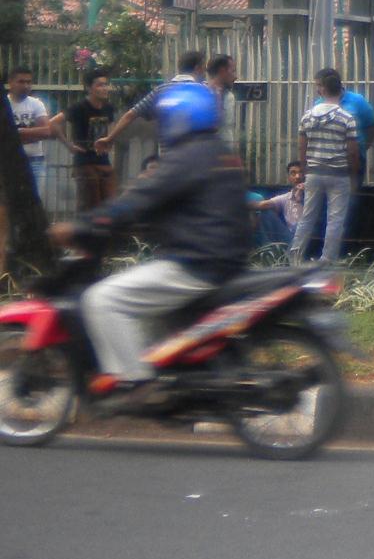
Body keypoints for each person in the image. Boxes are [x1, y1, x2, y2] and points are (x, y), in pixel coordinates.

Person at [49, 80, 249, 405]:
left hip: (195, 263)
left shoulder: (186, 157)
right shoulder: (218, 151)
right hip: (222, 257)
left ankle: (137, 382)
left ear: (179, 117)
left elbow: (141, 198)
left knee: (103, 298)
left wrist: (88, 223)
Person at [290, 68, 361, 266]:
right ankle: (327, 259)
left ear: (321, 91)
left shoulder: (307, 117)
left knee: (308, 216)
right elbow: (353, 152)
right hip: (339, 174)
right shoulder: (346, 118)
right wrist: (353, 175)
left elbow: (302, 147)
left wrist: (304, 169)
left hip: (313, 172)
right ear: (341, 90)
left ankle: (295, 257)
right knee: (335, 219)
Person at [97, 48, 208, 155]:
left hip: (169, 161)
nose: (204, 72)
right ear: (198, 68)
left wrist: (109, 138)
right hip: (196, 160)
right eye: (204, 68)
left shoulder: (160, 91)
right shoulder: (204, 91)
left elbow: (130, 115)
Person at [64, 68, 119, 213]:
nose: (105, 88)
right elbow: (54, 123)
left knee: (109, 203)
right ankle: (83, 233)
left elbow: (112, 127)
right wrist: (68, 144)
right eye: (100, 85)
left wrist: (110, 141)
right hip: (84, 161)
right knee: (89, 204)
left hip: (103, 160)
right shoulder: (79, 107)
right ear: (89, 88)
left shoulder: (109, 108)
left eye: (106, 84)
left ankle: (105, 234)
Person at [7, 65, 60, 203]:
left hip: (34, 161)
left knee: (33, 204)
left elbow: (46, 131)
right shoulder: (4, 105)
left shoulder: (36, 104)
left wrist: (17, 133)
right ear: (11, 82)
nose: (25, 85)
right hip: (8, 162)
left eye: (28, 82)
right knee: (9, 204)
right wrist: (32, 133)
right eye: (21, 81)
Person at [251, 162, 307, 251]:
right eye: (293, 173)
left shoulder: (316, 197)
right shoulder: (286, 198)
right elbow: (262, 205)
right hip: (290, 239)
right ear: (289, 177)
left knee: (300, 226)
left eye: (301, 173)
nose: (297, 176)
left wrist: (302, 195)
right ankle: (269, 253)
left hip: (309, 240)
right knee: (266, 212)